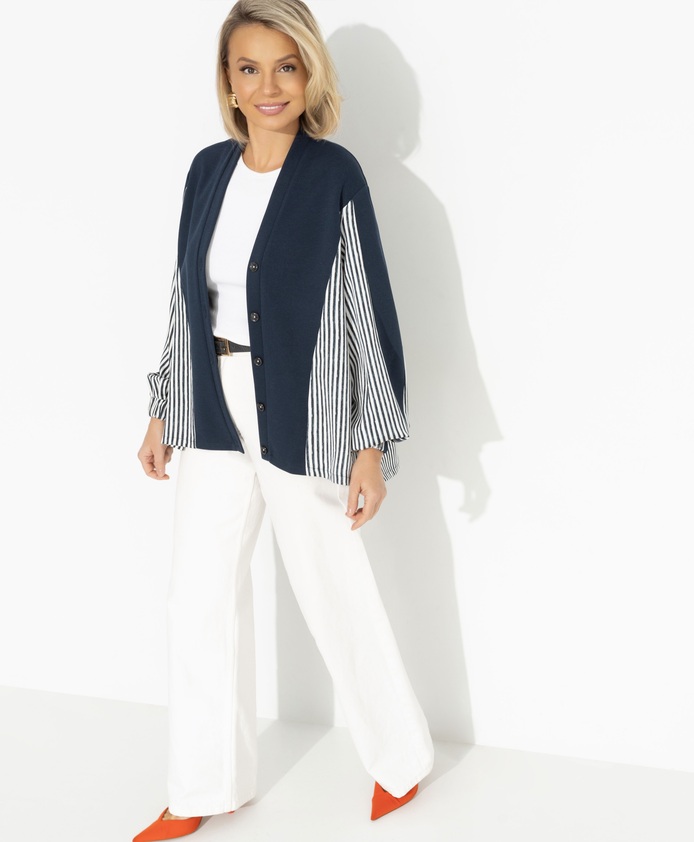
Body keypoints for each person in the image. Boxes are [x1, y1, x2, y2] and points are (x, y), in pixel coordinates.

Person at [133, 1, 434, 839]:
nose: (269, 86)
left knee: (334, 591)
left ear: (309, 75)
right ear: (228, 82)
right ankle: (203, 787)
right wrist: (163, 406)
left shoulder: (334, 175)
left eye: (286, 67)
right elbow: (184, 300)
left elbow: (369, 311)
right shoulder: (206, 171)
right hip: (211, 406)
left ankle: (401, 759)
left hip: (306, 412)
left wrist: (370, 445)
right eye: (249, 68)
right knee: (196, 598)